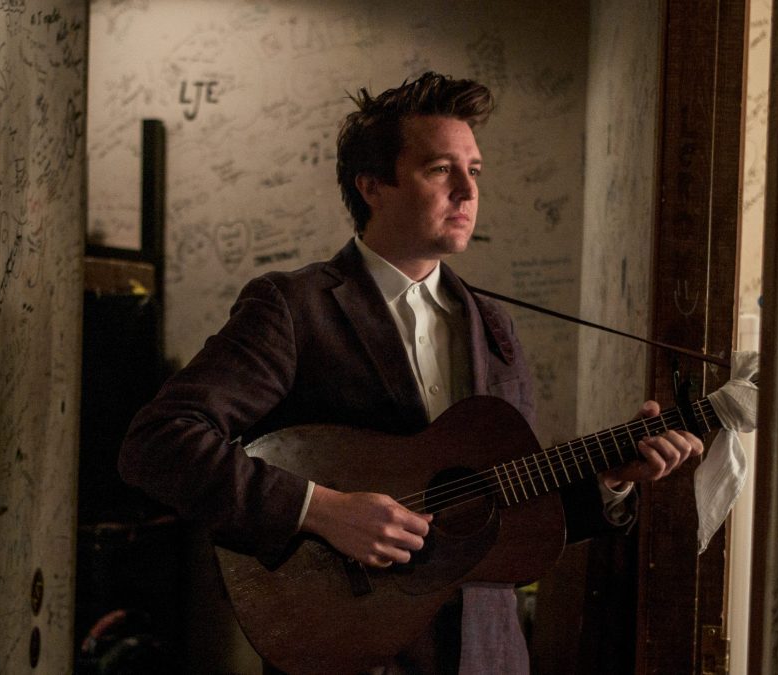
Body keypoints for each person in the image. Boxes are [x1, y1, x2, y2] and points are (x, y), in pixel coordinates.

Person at [118, 72, 703, 674]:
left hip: (486, 657)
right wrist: (320, 508)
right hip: (349, 653)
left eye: (474, 170)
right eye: (439, 169)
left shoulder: (493, 326)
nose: (467, 191)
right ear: (373, 185)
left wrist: (607, 480)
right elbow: (159, 442)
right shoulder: (294, 308)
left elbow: (503, 511)